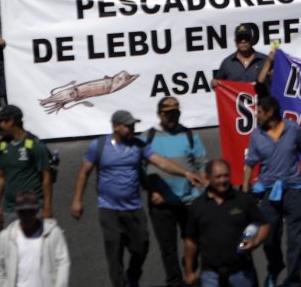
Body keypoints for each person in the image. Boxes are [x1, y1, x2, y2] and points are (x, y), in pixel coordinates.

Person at [70, 110, 204, 287]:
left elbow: (160, 162)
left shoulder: (139, 146)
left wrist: (185, 173)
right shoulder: (99, 145)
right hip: (108, 207)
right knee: (114, 251)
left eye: (133, 125)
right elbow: (84, 172)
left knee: (142, 245)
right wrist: (77, 200)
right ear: (115, 126)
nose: (132, 128)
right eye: (128, 125)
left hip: (133, 207)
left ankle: (133, 274)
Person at [245, 95, 301, 287]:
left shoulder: (293, 128)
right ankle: (275, 267)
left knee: (296, 241)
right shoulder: (257, 135)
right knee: (268, 239)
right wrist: (244, 192)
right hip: (268, 193)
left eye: (259, 112)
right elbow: (249, 165)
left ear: (270, 112)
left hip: (295, 191)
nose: (256, 115)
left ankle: (293, 280)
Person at [144, 97, 208, 287]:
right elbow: (139, 170)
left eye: (176, 113)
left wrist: (204, 187)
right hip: (161, 203)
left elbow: (201, 163)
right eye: (168, 113)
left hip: (189, 201)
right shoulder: (148, 137)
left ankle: (189, 266)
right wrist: (151, 191)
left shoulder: (190, 135)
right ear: (159, 114)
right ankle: (174, 281)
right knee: (168, 247)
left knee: (194, 241)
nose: (172, 116)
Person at [183, 158, 268, 287]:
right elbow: (190, 242)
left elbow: (264, 224)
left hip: (242, 272)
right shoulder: (197, 206)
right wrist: (189, 272)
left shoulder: (243, 200)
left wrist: (255, 242)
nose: (223, 180)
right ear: (208, 178)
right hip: (210, 275)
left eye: (226, 176)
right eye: (218, 177)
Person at [0, 189, 70, 287]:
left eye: (30, 212)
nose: (27, 216)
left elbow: (62, 263)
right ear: (17, 212)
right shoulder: (6, 237)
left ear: (37, 211)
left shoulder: (53, 233)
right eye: (23, 212)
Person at [0, 105, 53, 228]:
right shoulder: (2, 146)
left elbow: (47, 179)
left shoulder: (35, 146)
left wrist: (47, 207)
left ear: (11, 121)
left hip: (33, 208)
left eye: (1, 121)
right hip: (9, 209)